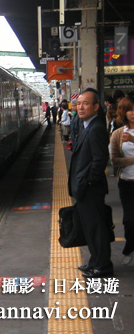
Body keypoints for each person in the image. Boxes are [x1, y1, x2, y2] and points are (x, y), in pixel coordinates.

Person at [68, 88, 113, 278]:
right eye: (79, 103)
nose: (80, 107)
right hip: (85, 187)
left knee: (96, 228)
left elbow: (100, 159)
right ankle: (95, 262)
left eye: (85, 103)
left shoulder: (95, 129)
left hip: (91, 189)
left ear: (96, 107)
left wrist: (88, 182)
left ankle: (102, 266)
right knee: (89, 227)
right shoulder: (87, 125)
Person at [109, 95, 134, 265]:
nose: (133, 113)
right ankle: (130, 248)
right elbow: (114, 160)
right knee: (129, 220)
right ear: (123, 112)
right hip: (127, 182)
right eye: (130, 109)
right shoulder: (118, 134)